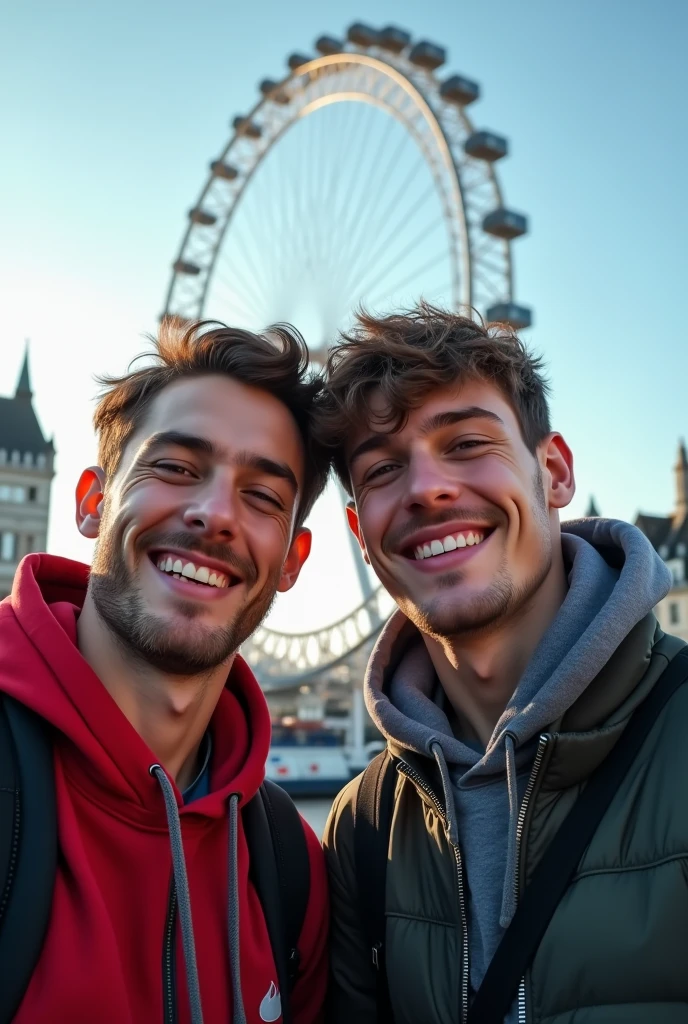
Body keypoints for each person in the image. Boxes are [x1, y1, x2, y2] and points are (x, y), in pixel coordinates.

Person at [318, 303, 687, 1023]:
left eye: (465, 443)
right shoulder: (361, 827)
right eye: (386, 468)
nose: (427, 488)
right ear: (361, 532)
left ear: (554, 472)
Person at [0, 318, 330, 1023]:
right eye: (176, 467)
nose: (214, 514)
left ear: (293, 560)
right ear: (92, 502)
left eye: (264, 497)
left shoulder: (290, 869)